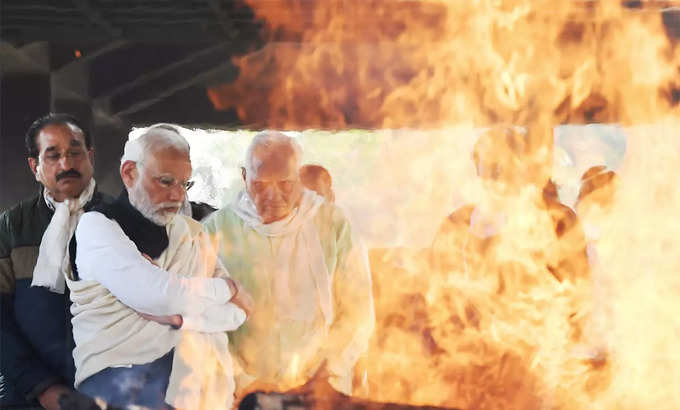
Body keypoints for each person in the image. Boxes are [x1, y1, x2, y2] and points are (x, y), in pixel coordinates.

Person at [67, 125, 252, 409]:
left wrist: (181, 320)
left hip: (189, 374)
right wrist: (226, 287)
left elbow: (237, 313)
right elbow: (160, 297)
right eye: (166, 181)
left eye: (184, 184)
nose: (178, 196)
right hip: (119, 375)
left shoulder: (192, 233)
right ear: (129, 173)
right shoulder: (97, 226)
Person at [203, 131, 374, 396]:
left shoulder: (333, 224)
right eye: (260, 185)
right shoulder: (214, 230)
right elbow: (202, 318)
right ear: (244, 176)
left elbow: (358, 311)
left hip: (321, 389)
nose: (272, 196)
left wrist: (328, 369)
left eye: (284, 184)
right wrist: (241, 379)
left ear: (299, 178)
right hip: (239, 392)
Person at [0, 114, 112, 410]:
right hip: (27, 397)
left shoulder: (124, 220)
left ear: (90, 157)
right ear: (34, 166)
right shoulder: (11, 227)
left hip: (112, 394)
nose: (66, 165)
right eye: (53, 156)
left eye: (75, 153)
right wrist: (41, 387)